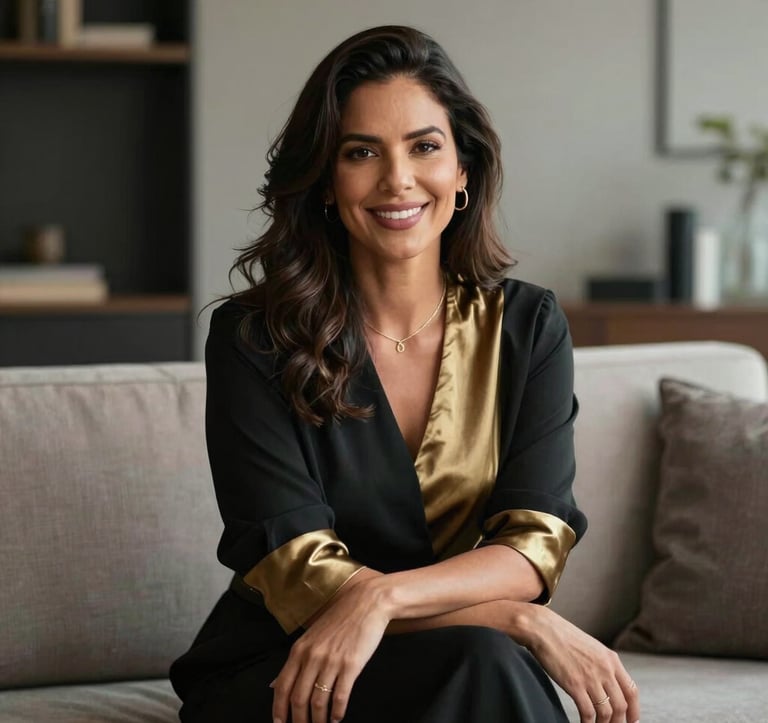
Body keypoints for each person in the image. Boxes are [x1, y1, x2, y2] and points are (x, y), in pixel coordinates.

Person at [170, 25, 640, 723]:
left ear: (462, 173)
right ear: (328, 182)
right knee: (489, 661)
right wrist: (519, 620)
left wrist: (383, 596)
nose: (397, 179)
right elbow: (293, 566)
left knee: (482, 666)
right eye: (362, 152)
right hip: (292, 666)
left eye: (424, 146)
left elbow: (532, 543)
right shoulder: (253, 339)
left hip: (460, 658)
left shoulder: (527, 326)